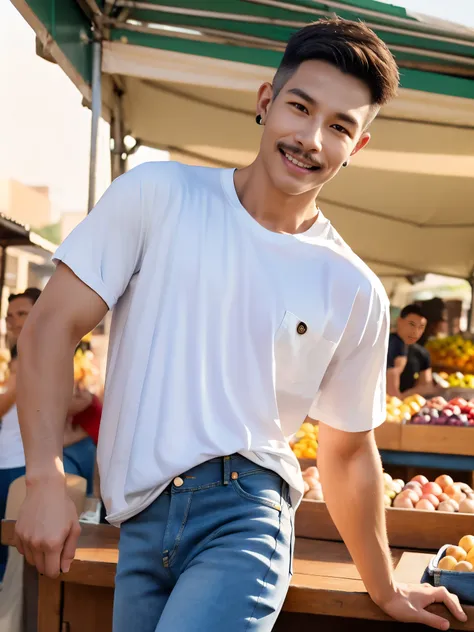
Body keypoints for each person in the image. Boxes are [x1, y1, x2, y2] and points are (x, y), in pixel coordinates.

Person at [14, 17, 465, 632]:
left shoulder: (352, 286)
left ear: (355, 148)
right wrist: (43, 476)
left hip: (245, 517)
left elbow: (348, 450)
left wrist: (385, 587)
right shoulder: (158, 195)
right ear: (265, 100)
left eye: (339, 127)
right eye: (300, 107)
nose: (311, 138)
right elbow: (49, 329)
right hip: (138, 522)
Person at [387, 304, 434, 399]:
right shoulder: (386, 344)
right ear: (399, 321)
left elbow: (427, 386)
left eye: (421, 327)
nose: (415, 332)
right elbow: (390, 386)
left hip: (405, 406)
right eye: (411, 325)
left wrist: (404, 396)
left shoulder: (422, 353)